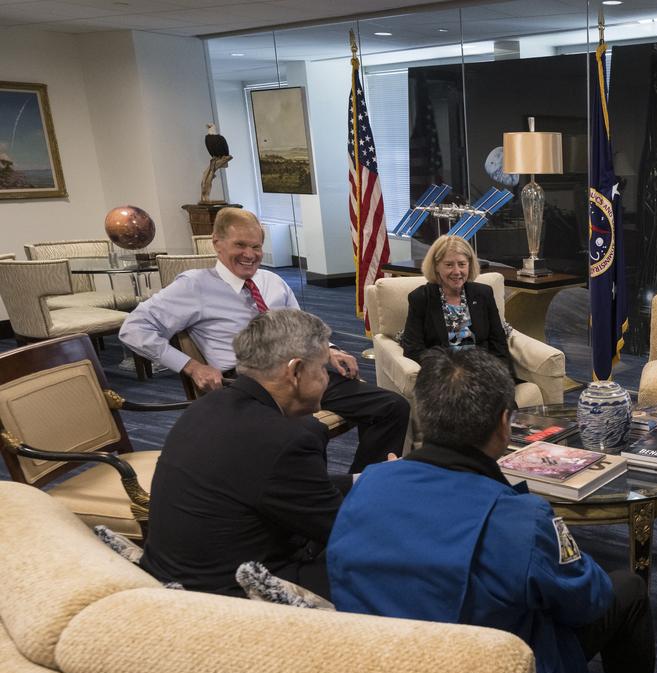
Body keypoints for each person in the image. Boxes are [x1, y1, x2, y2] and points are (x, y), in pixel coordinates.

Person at [326, 348, 657, 673]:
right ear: (503, 424)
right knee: (628, 590)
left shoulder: (366, 485)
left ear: (423, 416)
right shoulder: (522, 518)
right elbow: (587, 601)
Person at [119, 207, 409, 473]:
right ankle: (312, 496)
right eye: (240, 245)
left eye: (256, 246)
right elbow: (133, 328)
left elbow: (302, 326)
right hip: (248, 383)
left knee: (392, 406)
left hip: (300, 372)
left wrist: (329, 350)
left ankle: (364, 484)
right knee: (306, 431)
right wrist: (191, 366)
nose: (250, 254)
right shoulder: (194, 286)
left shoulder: (272, 281)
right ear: (217, 243)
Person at [141, 310, 346, 598]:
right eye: (323, 368)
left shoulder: (208, 405)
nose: (326, 378)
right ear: (295, 371)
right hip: (228, 595)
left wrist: (366, 480)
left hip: (176, 575)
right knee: (385, 568)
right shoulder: (284, 440)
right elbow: (343, 529)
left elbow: (276, 486)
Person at [399, 235, 515, 377]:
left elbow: (499, 344)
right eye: (449, 265)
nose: (457, 271)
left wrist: (502, 377)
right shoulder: (421, 298)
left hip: (484, 372)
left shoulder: (484, 294)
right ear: (436, 266)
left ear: (469, 265)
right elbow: (413, 350)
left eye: (462, 264)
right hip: (444, 376)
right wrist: (450, 372)